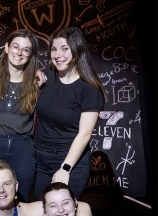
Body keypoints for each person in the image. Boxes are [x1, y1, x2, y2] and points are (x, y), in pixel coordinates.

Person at [33, 26, 106, 199]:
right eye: (54, 49)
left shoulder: (89, 88)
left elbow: (84, 134)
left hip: (70, 161)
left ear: (77, 50)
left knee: (62, 211)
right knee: (40, 209)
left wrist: (65, 168)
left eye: (65, 49)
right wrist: (34, 73)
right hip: (39, 158)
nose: (58, 55)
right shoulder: (46, 76)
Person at [0, 29, 40, 204]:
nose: (19, 52)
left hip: (22, 147)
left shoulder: (36, 83)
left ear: (30, 55)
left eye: (26, 49)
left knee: (22, 201)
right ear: (6, 47)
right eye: (15, 46)